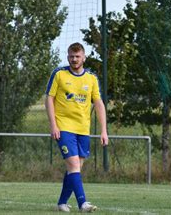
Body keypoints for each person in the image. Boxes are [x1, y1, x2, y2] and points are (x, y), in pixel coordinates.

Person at [45, 42, 109, 213]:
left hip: (83, 129)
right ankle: (83, 203)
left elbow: (99, 103)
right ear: (68, 57)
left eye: (77, 56)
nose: (74, 59)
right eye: (71, 56)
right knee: (73, 164)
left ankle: (62, 202)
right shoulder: (59, 74)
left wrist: (103, 130)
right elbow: (49, 99)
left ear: (84, 57)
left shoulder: (92, 78)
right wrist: (53, 125)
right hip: (64, 127)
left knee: (75, 168)